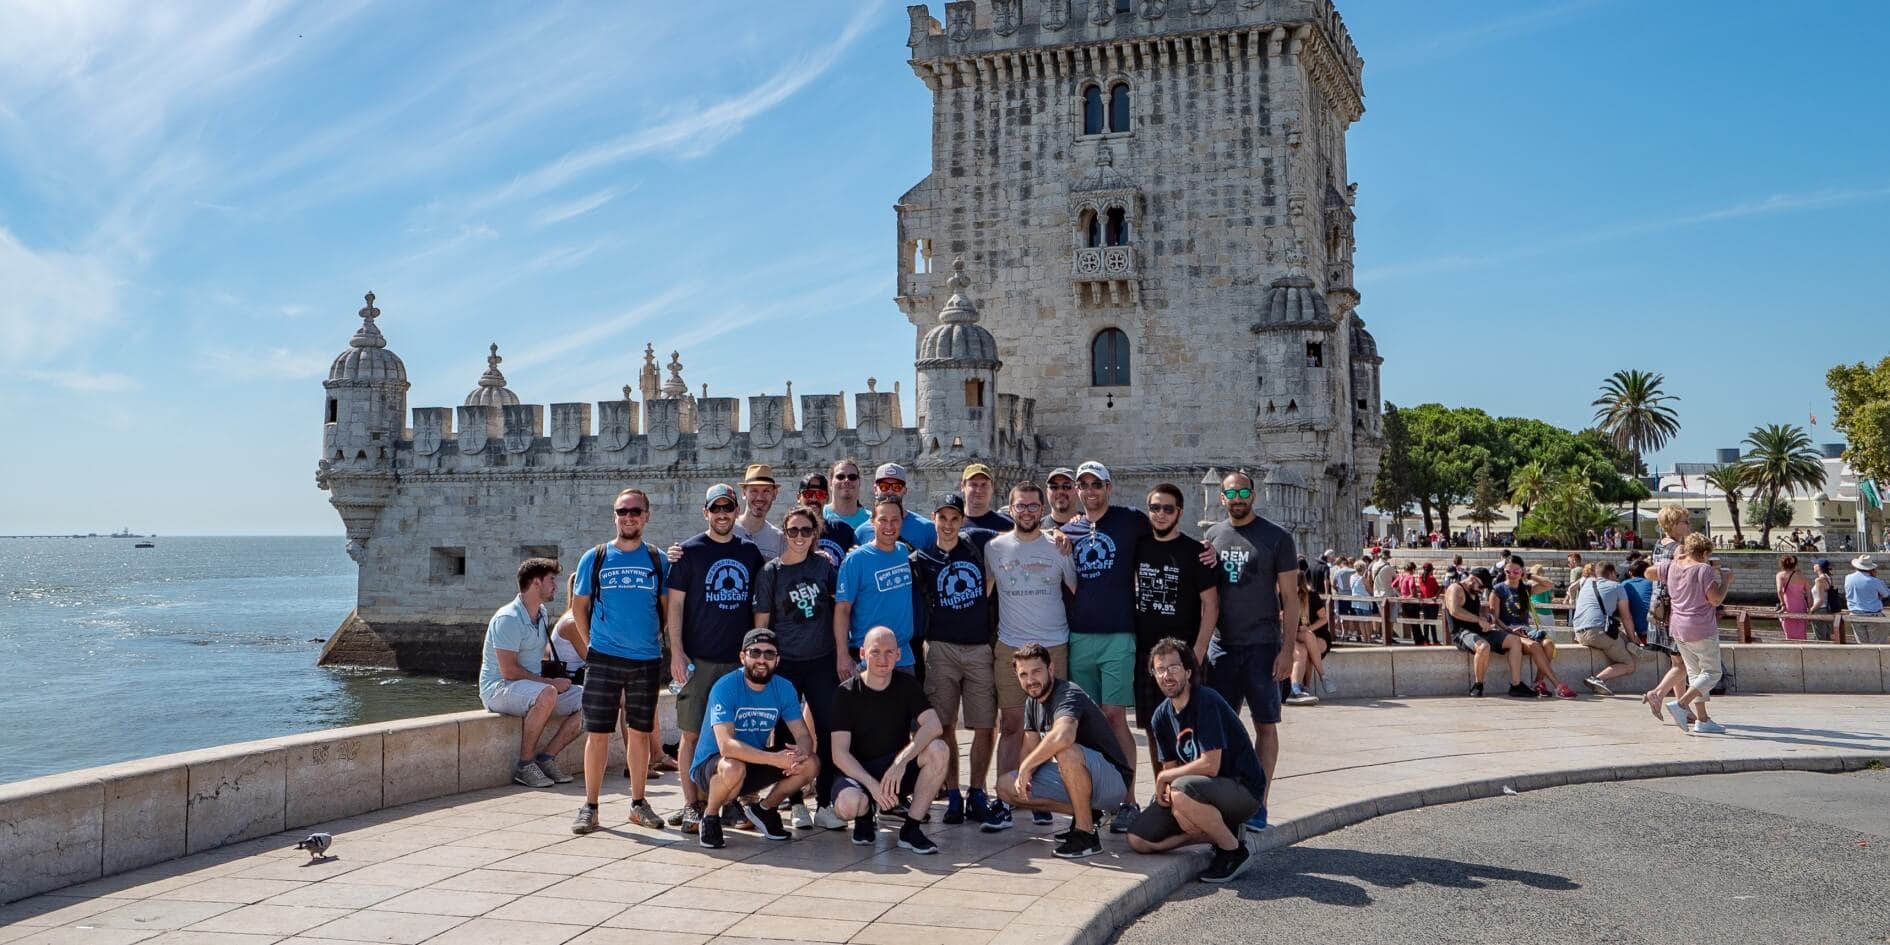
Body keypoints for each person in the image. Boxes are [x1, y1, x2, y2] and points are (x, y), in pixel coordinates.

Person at [665, 484, 766, 832]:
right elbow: (674, 606)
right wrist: (676, 652)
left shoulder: (750, 553)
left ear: (735, 511)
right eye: (716, 508)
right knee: (691, 733)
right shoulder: (688, 553)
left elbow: (758, 607)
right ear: (705, 512)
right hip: (698, 660)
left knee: (734, 735)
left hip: (737, 662)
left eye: (728, 508)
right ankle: (691, 804)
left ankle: (729, 803)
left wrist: (755, 656)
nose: (722, 514)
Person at [1060, 461, 1154, 833]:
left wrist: (1204, 548)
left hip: (1118, 633)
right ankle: (1097, 799)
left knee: (1115, 717)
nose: (1089, 490)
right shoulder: (1069, 530)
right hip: (1079, 635)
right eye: (1083, 485)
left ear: (1109, 487)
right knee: (1088, 722)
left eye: (1095, 484)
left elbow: (1164, 538)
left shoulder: (1130, 520)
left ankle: (1128, 799)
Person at [570, 490, 670, 834]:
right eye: (622, 511)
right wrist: (592, 645)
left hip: (645, 659)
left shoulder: (658, 560)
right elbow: (578, 607)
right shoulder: (594, 558)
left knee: (640, 734)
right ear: (614, 516)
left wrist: (655, 639)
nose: (628, 517)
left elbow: (667, 607)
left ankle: (638, 804)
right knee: (597, 734)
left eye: (635, 511)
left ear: (647, 515)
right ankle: (591, 806)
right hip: (603, 658)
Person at [1202, 470, 1298, 832]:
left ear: (1254, 495)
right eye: (1231, 493)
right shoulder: (1212, 535)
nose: (1237, 498)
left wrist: (1287, 651)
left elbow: (1290, 599)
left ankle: (1259, 801)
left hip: (1262, 646)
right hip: (1222, 648)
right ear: (1221, 498)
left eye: (1243, 491)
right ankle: (1229, 798)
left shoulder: (1277, 538)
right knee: (1221, 729)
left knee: (1265, 726)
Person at [982, 481, 1079, 832]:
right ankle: (1004, 798)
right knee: (1010, 726)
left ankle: (1039, 796)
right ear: (1010, 510)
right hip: (1011, 646)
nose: (1026, 512)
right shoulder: (994, 548)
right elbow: (986, 591)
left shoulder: (1059, 546)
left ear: (1043, 509)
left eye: (1033, 506)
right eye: (1020, 506)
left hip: (1053, 645)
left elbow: (1075, 588)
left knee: (1050, 728)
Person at [1127, 638, 1265, 883]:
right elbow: (1171, 768)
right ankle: (1215, 832)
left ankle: (1233, 851)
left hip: (1241, 788)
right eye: (1160, 669)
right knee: (1139, 839)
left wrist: (1166, 780)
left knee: (1181, 791)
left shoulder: (1206, 701)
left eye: (1173, 667)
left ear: (1188, 671)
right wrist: (1174, 797)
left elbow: (1210, 765)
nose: (1166, 675)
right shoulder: (1161, 716)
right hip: (1199, 792)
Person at [752, 504, 844, 831]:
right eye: (793, 531)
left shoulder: (825, 568)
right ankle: (793, 802)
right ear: (785, 533)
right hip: (786, 662)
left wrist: (843, 653)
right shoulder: (771, 573)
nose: (800, 537)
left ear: (815, 534)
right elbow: (761, 624)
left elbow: (839, 611)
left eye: (807, 531)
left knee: (828, 729)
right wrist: (764, 662)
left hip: (821, 660)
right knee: (784, 733)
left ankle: (825, 801)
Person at [909, 492, 999, 827]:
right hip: (940, 647)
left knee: (986, 724)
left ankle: (977, 790)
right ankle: (953, 794)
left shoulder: (976, 544)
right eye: (942, 517)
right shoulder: (920, 558)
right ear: (934, 518)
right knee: (943, 724)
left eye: (954, 518)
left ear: (962, 521)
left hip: (978, 646)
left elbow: (1015, 533)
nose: (948, 524)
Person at [996, 643, 1135, 858]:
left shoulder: (1068, 693)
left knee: (1065, 750)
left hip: (1112, 781)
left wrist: (1026, 766)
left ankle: (1086, 834)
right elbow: (1030, 747)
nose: (1030, 680)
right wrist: (1025, 775)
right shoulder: (1032, 703)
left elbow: (1064, 735)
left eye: (1036, 671)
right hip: (1080, 775)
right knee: (1005, 786)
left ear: (1050, 669)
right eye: (1023, 674)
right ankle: (1086, 815)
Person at [691, 629, 819, 848]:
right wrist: (775, 760)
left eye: (769, 654)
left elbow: (802, 735)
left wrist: (801, 753)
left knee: (811, 763)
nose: (762, 659)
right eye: (755, 652)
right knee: (733, 767)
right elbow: (726, 746)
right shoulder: (725, 686)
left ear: (777, 660)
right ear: (743, 657)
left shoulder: (784, 688)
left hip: (752, 761)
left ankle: (765, 809)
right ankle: (710, 816)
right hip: (713, 765)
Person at [829, 627, 949, 853]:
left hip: (895, 773)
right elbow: (839, 754)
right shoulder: (845, 693)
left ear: (898, 655)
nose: (882, 659)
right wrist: (872, 787)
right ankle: (865, 815)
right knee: (848, 805)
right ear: (863, 654)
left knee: (939, 749)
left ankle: (911, 829)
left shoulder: (907, 685)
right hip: (858, 773)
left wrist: (900, 763)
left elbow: (933, 726)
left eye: (888, 652)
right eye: (875, 652)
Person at [1133, 484, 1221, 790]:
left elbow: (1211, 606)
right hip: (1148, 654)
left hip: (1185, 655)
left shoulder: (1196, 552)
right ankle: (1163, 791)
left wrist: (1197, 652)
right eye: (1155, 508)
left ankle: (1193, 791)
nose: (1160, 514)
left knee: (1192, 727)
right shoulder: (1139, 545)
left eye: (1168, 508)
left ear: (1180, 512)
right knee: (1155, 729)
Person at [478, 557, 583, 788]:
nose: (556, 585)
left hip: (533, 687)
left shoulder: (542, 613)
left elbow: (542, 655)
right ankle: (525, 766)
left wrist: (559, 681)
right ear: (536, 583)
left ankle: (546, 758)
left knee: (591, 700)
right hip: (499, 688)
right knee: (546, 693)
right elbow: (509, 670)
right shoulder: (508, 618)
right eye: (551, 580)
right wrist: (551, 683)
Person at [1656, 534, 1733, 734]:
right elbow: (1715, 600)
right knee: (1712, 672)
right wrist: (1726, 581)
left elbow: (1650, 573)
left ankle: (1702, 719)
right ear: (1705, 552)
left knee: (1695, 674)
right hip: (1700, 627)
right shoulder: (1703, 569)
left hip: (1678, 627)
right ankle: (1681, 704)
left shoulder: (1673, 565)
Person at [836, 494, 921, 674]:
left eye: (895, 520)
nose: (889, 526)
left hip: (903, 655)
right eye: (883, 519)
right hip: (869, 657)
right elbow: (842, 609)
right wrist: (842, 655)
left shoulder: (903, 551)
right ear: (872, 521)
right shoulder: (855, 560)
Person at [1488, 559, 1577, 699]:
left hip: (1526, 630)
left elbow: (1549, 585)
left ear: (1521, 572)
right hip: (1509, 631)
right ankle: (1558, 685)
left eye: (1516, 571)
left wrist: (1529, 576)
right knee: (1535, 645)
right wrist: (1509, 630)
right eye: (1508, 571)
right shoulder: (1498, 590)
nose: (1512, 574)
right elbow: (1495, 617)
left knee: (1548, 645)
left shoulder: (1525, 588)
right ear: (1504, 572)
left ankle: (1538, 683)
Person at [1641, 506, 1693, 721]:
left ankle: (1682, 707)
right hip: (1674, 609)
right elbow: (1683, 577)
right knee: (1687, 662)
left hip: (1658, 607)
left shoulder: (1658, 546)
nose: (1688, 525)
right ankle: (1658, 694)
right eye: (1684, 521)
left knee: (1676, 660)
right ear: (1672, 524)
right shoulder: (1679, 549)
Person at [1570, 562, 1642, 696]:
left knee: (1620, 635)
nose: (1617, 577)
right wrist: (1633, 639)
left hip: (1578, 632)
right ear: (1612, 573)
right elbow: (1626, 617)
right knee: (1629, 665)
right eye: (1617, 575)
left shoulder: (1586, 582)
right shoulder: (1617, 586)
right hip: (1597, 633)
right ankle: (1597, 679)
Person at [854, 463, 937, 548]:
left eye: (897, 487)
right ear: (875, 489)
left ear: (905, 490)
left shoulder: (927, 530)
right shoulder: (861, 533)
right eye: (884, 486)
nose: (890, 491)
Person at [1285, 570, 1330, 705]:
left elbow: (1323, 619)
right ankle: (1317, 679)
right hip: (1290, 633)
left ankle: (1301, 688)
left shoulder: (1311, 596)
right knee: (1303, 650)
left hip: (1314, 633)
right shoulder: (1282, 594)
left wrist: (1309, 628)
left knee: (1307, 644)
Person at [794, 472, 856, 568]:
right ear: (798, 497)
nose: (814, 498)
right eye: (808, 494)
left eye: (820, 495)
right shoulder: (789, 533)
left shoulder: (843, 530)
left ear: (826, 498)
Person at [732, 464, 784, 560]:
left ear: (774, 494)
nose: (760, 497)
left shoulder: (778, 539)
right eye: (754, 491)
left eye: (766, 491)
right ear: (744, 493)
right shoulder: (728, 530)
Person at [1845, 555, 1890, 643]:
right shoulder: (1874, 581)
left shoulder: (1848, 578)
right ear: (1871, 569)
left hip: (1855, 615)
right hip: (1873, 616)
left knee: (1863, 646)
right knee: (1878, 645)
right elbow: (1886, 594)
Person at [960, 463, 1013, 531]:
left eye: (984, 484)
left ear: (992, 487)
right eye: (974, 484)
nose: (979, 490)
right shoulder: (951, 525)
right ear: (962, 486)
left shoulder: (1007, 526)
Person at [825, 458, 870, 536]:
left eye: (852, 477)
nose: (846, 480)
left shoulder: (872, 520)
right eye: (840, 477)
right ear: (830, 484)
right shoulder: (818, 516)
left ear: (859, 483)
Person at [1776, 555, 1811, 641]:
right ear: (1795, 564)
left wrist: (1782, 604)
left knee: (1789, 634)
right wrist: (1809, 608)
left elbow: (1779, 590)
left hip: (1788, 607)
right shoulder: (1802, 576)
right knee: (1802, 634)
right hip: (1801, 606)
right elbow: (1808, 594)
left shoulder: (1781, 575)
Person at [1811, 559, 1839, 641]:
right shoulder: (1828, 578)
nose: (1813, 566)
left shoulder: (1819, 580)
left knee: (1820, 637)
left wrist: (1811, 610)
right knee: (1828, 636)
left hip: (1820, 610)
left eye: (1815, 564)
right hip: (1828, 609)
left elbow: (1820, 600)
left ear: (1819, 567)